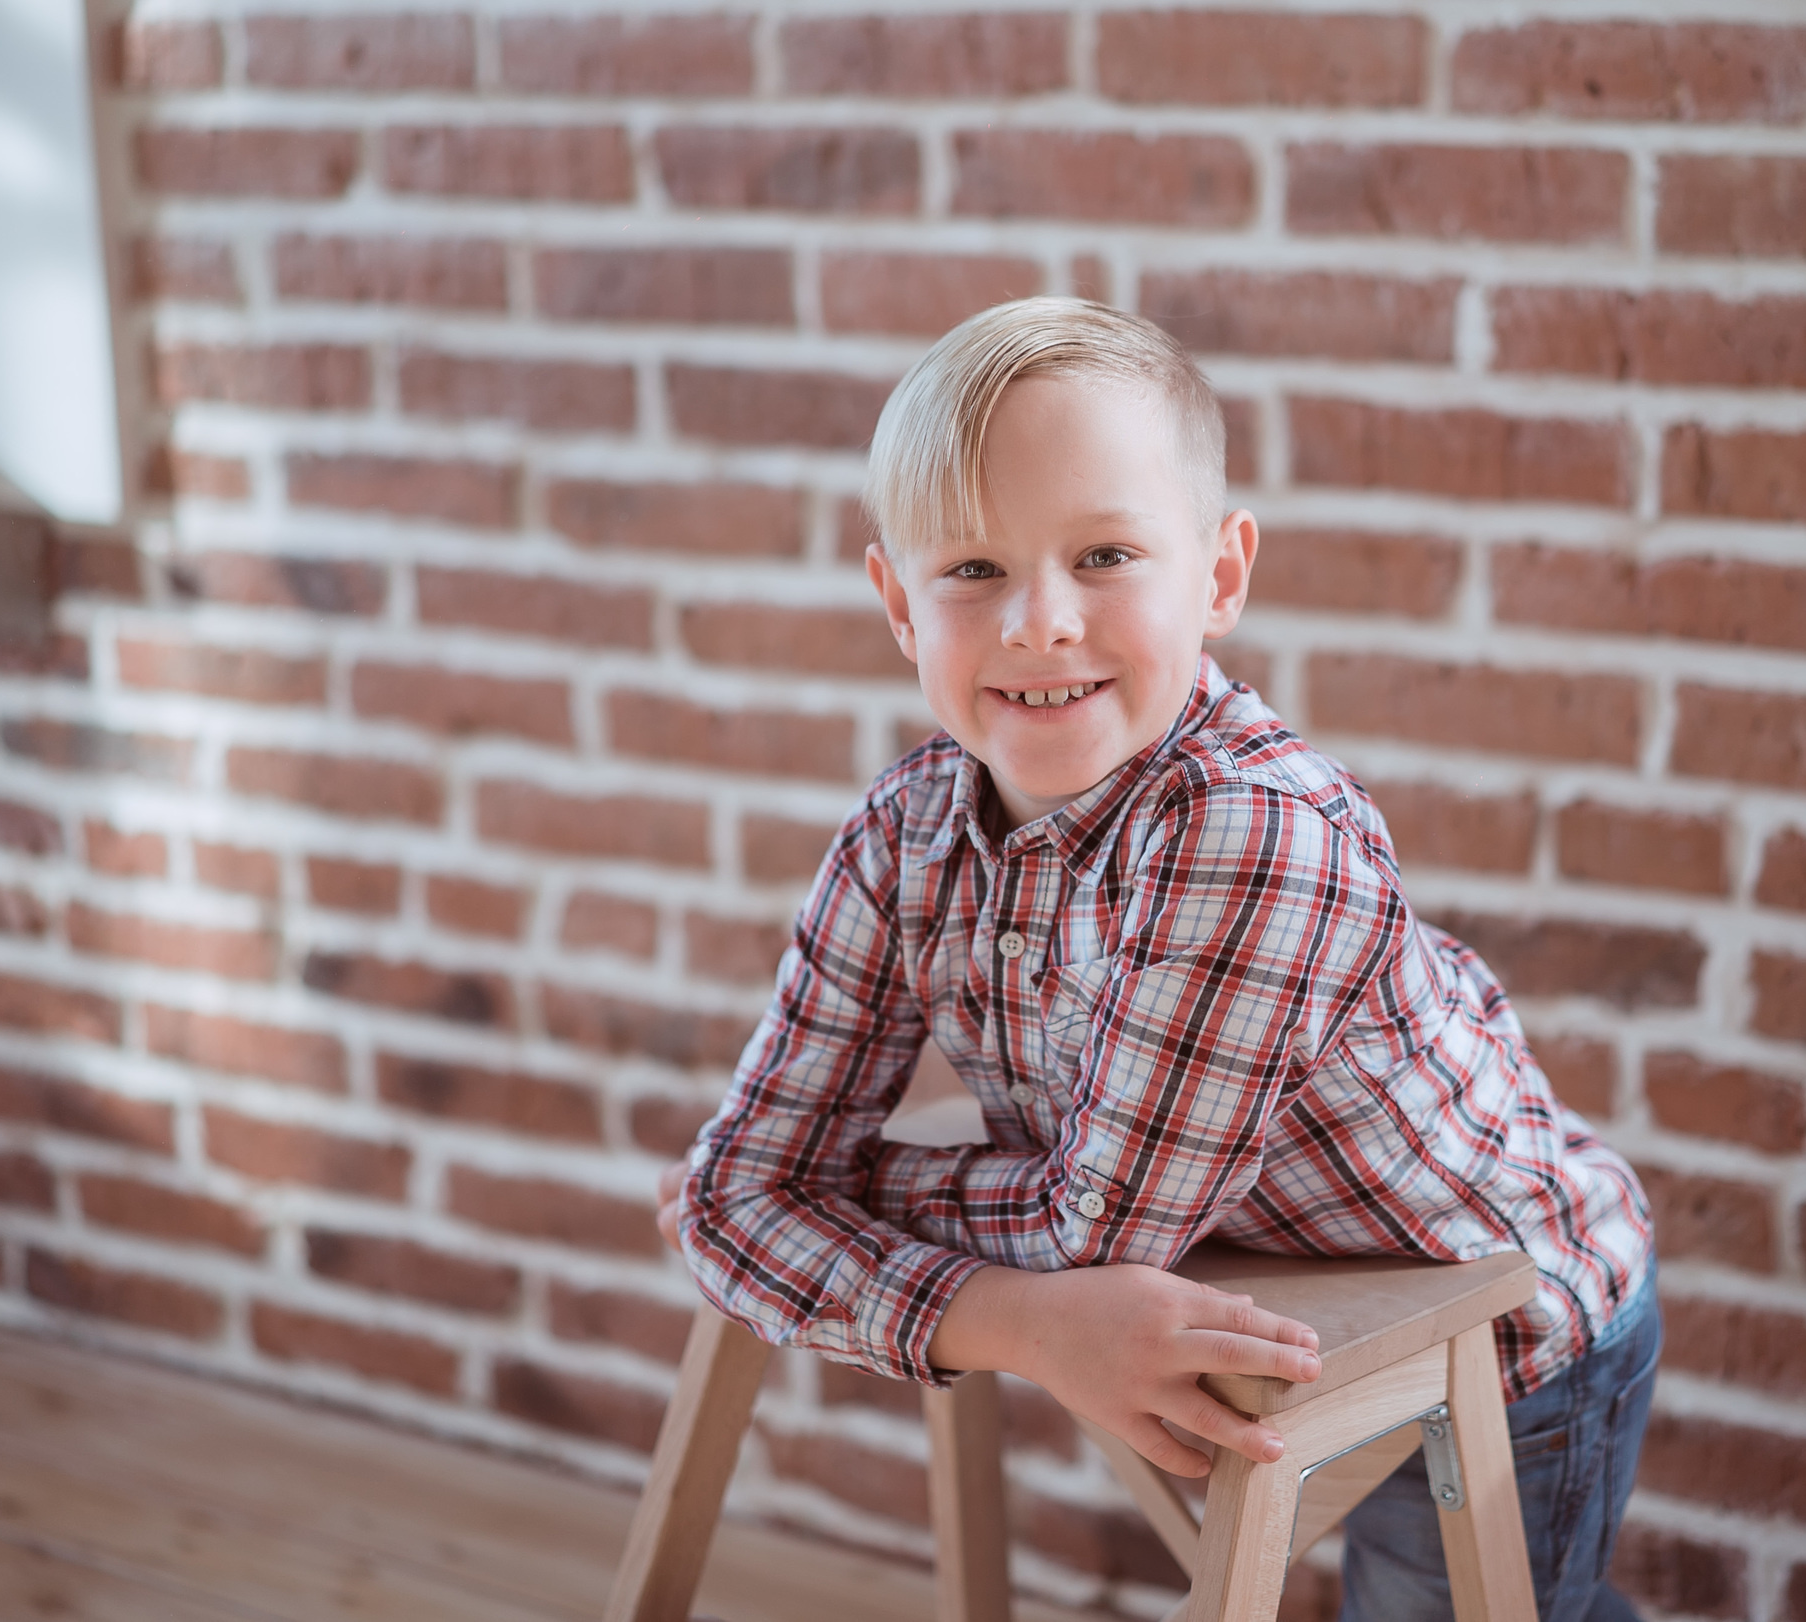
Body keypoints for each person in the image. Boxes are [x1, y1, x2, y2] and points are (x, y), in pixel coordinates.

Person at [655, 297, 1659, 1622]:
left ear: (1220, 577)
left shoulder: (1262, 834)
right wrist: (1006, 1310)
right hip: (1241, 1261)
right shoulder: (903, 835)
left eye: (1106, 555)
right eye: (972, 569)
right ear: (898, 602)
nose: (1041, 622)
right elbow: (741, 1197)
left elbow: (1090, 1238)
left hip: (1504, 1319)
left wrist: (849, 1189)